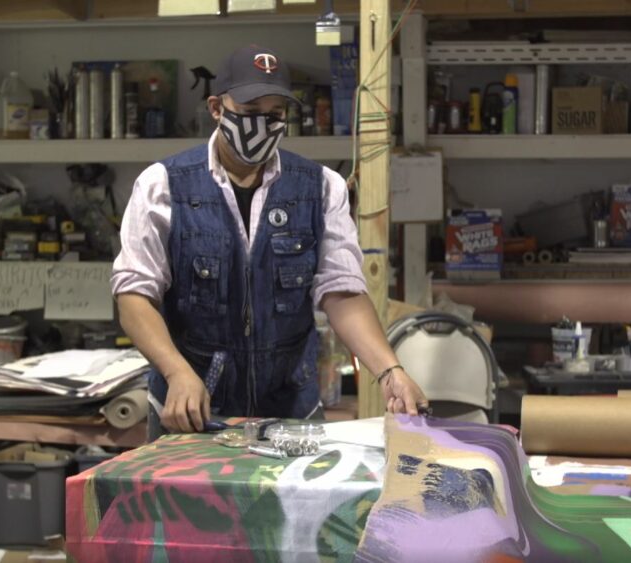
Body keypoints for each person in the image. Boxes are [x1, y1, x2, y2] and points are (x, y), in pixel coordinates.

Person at [112, 45, 428, 438]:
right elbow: (134, 295)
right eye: (249, 113)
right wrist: (177, 372)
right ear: (216, 108)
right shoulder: (163, 186)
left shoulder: (321, 188)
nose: (261, 125)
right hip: (191, 411)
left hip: (290, 411)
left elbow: (341, 291)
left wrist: (389, 370)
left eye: (275, 114)